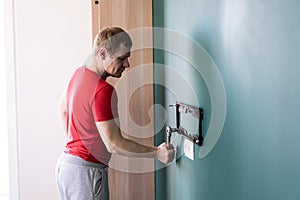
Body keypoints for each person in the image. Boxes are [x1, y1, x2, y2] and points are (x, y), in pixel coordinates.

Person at [55, 27, 175, 200]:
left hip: (67, 166)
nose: (127, 64)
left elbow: (62, 108)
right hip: (86, 173)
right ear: (102, 54)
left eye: (127, 57)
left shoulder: (78, 73)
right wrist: (157, 152)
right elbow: (114, 144)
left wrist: (77, 143)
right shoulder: (103, 90)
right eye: (122, 58)